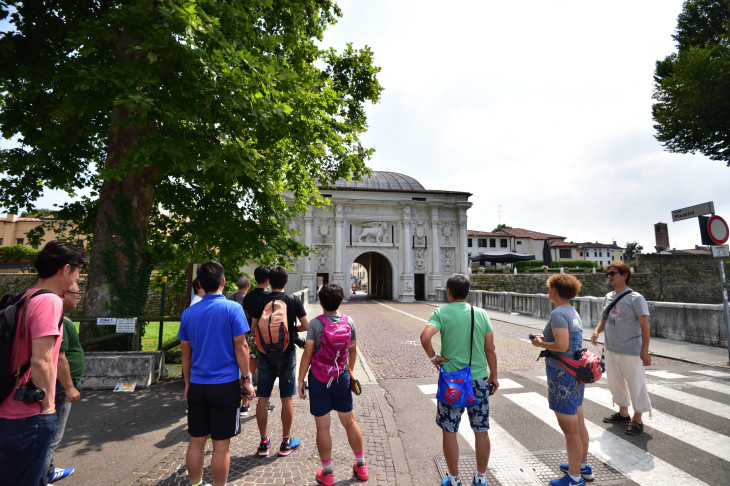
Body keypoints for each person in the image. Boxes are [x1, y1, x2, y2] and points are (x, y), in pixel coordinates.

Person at [0, 240, 87, 486]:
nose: (76, 279)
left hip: (7, 405)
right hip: (27, 414)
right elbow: (43, 360)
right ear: (66, 268)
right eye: (77, 272)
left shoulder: (26, 297)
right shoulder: (50, 301)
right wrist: (48, 407)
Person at [178, 261, 256, 486]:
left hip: (198, 384)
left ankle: (195, 484)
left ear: (200, 284)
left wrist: (187, 384)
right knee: (221, 445)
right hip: (224, 385)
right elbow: (241, 348)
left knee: (196, 442)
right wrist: (247, 380)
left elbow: (185, 355)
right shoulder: (233, 309)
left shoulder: (188, 314)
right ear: (223, 282)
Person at [420, 274, 499, 486]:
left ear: (448, 292)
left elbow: (425, 337)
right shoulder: (481, 314)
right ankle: (480, 478)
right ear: (468, 292)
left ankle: (454, 480)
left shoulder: (441, 312)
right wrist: (494, 375)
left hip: (453, 382)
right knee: (481, 430)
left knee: (450, 430)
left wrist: (434, 357)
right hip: (479, 380)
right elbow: (490, 348)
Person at [297, 284, 367, 485]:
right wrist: (349, 372)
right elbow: (352, 350)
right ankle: (361, 466)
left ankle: (327, 473)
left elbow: (308, 354)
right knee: (350, 422)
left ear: (320, 302)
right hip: (341, 377)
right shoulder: (349, 322)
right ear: (341, 300)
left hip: (319, 379)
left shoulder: (316, 325)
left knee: (323, 428)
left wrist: (301, 380)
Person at [530, 274, 591, 486]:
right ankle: (582, 466)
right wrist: (546, 340)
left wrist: (540, 344)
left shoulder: (558, 313)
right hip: (575, 372)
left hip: (562, 374)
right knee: (579, 423)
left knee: (570, 429)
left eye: (549, 288)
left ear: (555, 290)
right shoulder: (572, 311)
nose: (549, 292)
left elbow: (562, 346)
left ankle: (574, 478)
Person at [250, 265, 309, 457]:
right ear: (286, 281)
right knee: (286, 398)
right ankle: (285, 442)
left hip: (265, 353)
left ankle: (263, 442)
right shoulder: (292, 300)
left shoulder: (260, 300)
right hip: (286, 352)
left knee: (263, 397)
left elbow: (253, 329)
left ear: (269, 281)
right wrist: (292, 331)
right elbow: (306, 325)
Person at [591, 262, 652, 435]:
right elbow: (604, 317)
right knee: (615, 383)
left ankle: (638, 418)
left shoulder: (636, 298)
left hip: (630, 349)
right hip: (611, 348)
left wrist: (644, 351)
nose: (609, 276)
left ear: (625, 275)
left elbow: (645, 326)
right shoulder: (608, 296)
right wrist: (596, 331)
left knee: (636, 384)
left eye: (613, 273)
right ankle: (623, 412)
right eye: (607, 274)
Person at [40, 282, 85, 485]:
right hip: (59, 387)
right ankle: (41, 479)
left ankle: (48, 471)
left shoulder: (62, 318)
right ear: (64, 293)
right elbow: (59, 356)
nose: (79, 297)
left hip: (58, 386)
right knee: (52, 437)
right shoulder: (60, 320)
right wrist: (69, 387)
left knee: (51, 435)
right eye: (76, 293)